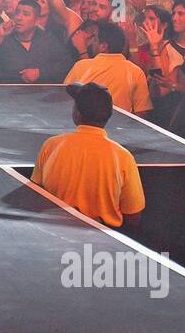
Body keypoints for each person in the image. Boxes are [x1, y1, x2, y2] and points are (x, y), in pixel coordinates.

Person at [31, 83, 145, 228]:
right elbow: (133, 215)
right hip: (103, 242)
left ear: (76, 114)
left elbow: (34, 193)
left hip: (54, 232)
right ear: (109, 114)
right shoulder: (123, 157)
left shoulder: (52, 145)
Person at [64, 21, 152, 115]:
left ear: (103, 46)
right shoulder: (136, 72)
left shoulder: (81, 66)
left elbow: (64, 99)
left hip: (85, 127)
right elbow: (141, 113)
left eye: (95, 40)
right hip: (121, 129)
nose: (91, 43)